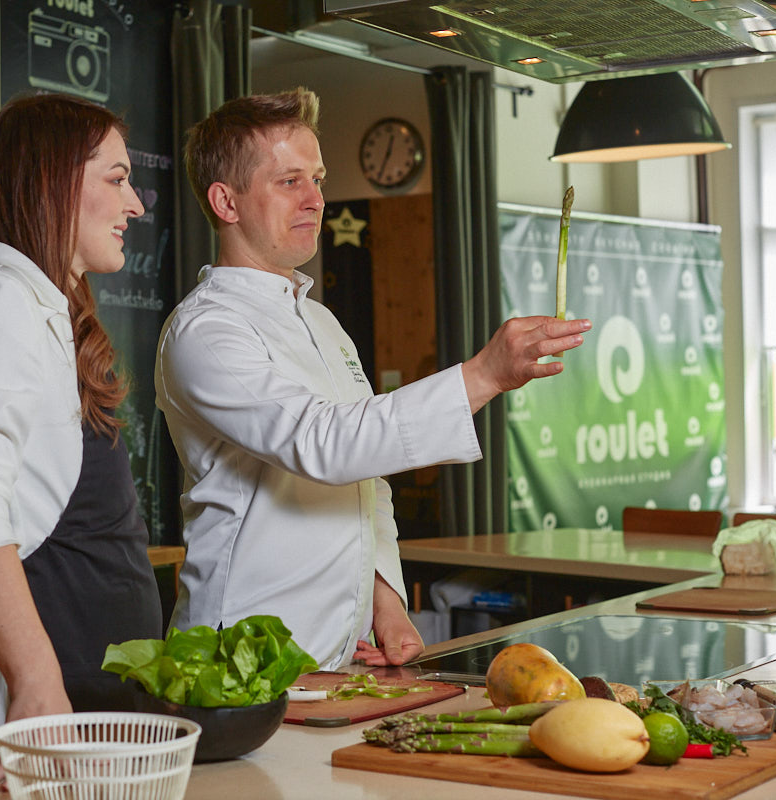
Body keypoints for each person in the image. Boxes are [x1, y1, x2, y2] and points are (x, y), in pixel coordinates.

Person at [154, 87, 591, 671]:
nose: (317, 199)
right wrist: (483, 374)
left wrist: (387, 598)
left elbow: (368, 471)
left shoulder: (320, 319)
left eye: (318, 178)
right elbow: (326, 444)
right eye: (290, 182)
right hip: (241, 653)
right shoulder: (205, 331)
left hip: (342, 652)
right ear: (226, 202)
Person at [0, 92, 160, 788]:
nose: (135, 205)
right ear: (51, 182)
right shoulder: (0, 304)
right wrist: (37, 679)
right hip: (48, 709)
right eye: (115, 178)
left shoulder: (47, 309)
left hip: (94, 701)